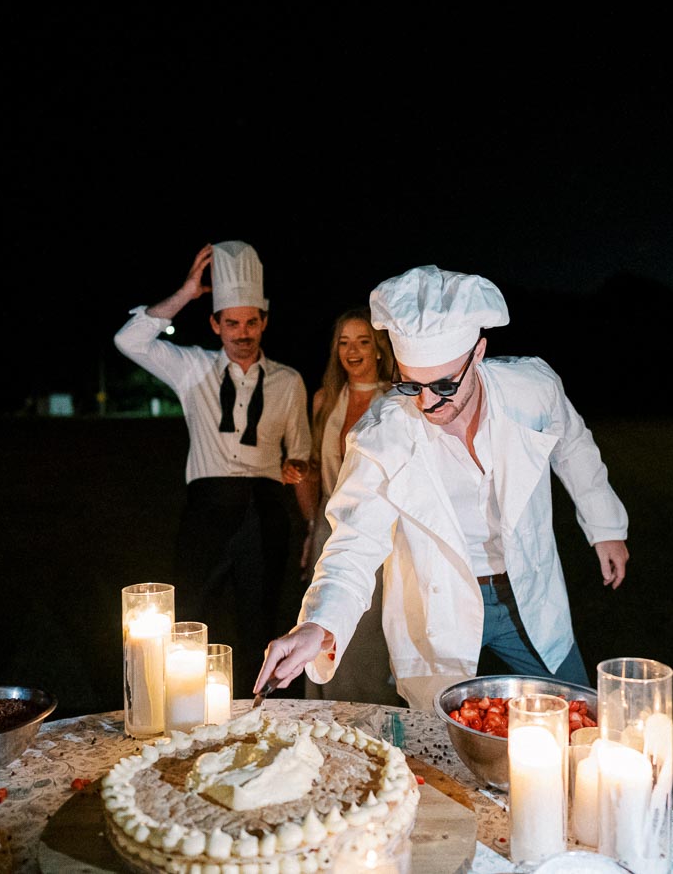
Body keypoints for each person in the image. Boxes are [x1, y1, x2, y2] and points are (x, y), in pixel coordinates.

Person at [256, 265, 630, 710]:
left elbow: (573, 445)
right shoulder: (381, 433)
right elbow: (354, 543)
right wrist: (317, 624)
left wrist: (605, 525)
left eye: (444, 384)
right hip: (438, 611)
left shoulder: (532, 388)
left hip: (526, 590)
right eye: (411, 383)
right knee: (441, 757)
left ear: (479, 354)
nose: (427, 402)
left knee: (576, 721)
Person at [114, 242, 311, 696]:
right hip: (207, 508)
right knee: (188, 616)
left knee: (261, 622)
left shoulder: (289, 381)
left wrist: (302, 494)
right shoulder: (191, 367)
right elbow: (129, 340)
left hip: (265, 511)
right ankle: (181, 711)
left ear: (264, 322)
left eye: (251, 322)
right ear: (215, 324)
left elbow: (301, 453)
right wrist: (185, 291)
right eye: (232, 323)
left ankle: (263, 717)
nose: (242, 333)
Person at [299, 308, 402, 706]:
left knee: (368, 629)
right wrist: (311, 529)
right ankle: (328, 712)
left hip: (376, 527)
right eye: (344, 342)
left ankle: (370, 711)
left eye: (362, 341)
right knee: (321, 617)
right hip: (328, 524)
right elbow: (318, 466)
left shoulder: (396, 401)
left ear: (378, 349)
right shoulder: (326, 399)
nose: (352, 350)